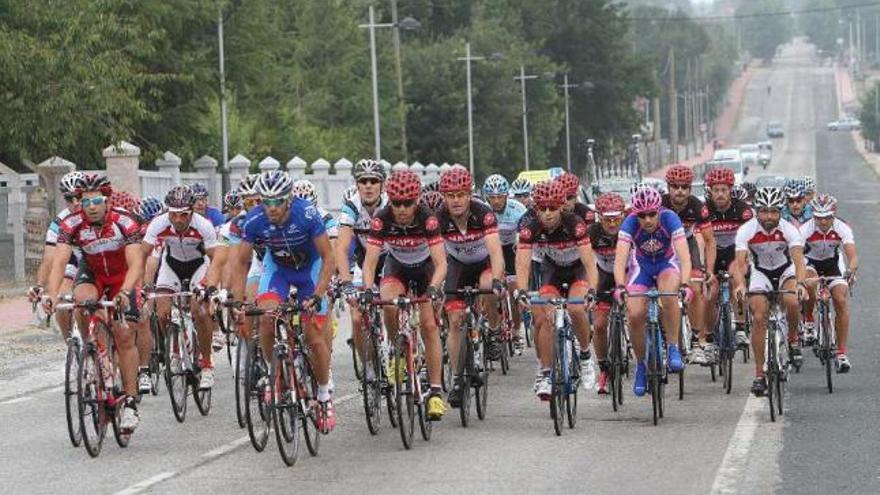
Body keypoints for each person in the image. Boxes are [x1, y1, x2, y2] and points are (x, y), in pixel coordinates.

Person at [229, 170, 337, 430]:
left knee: (313, 336)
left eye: (277, 201)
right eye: (266, 201)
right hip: (278, 270)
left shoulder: (307, 214)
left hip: (309, 271)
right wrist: (237, 301)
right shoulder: (254, 220)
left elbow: (329, 257)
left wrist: (318, 294)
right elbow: (241, 261)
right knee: (267, 318)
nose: (271, 208)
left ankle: (323, 394)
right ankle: (273, 372)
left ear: (289, 199)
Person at [43, 173, 144, 431]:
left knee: (123, 333)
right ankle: (95, 353)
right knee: (82, 301)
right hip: (94, 273)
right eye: (85, 202)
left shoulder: (125, 221)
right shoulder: (72, 224)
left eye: (96, 201)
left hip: (123, 277)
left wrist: (124, 292)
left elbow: (136, 263)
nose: (91, 207)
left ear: (107, 200)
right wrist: (52, 295)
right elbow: (59, 262)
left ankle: (131, 401)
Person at [360, 171, 448, 420]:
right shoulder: (382, 218)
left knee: (429, 325)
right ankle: (397, 347)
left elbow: (441, 263)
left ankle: (435, 391)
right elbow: (369, 264)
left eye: (407, 203)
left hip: (425, 270)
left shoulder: (427, 219)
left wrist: (433, 288)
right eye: (396, 202)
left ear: (416, 200)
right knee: (388, 302)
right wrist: (368, 289)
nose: (401, 209)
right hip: (397, 266)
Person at [514, 180, 598, 399]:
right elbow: (522, 264)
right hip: (552, 271)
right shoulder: (530, 227)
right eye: (542, 208)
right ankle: (547, 373)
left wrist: (593, 290)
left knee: (576, 308)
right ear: (536, 209)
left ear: (561, 206)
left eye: (553, 208)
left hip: (578, 271)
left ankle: (586, 355)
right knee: (544, 316)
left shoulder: (575, 224)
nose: (548, 213)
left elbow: (590, 263)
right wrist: (521, 290)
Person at [436, 167, 505, 408]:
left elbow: (496, 252)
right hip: (457, 267)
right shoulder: (439, 218)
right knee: (455, 320)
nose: (455, 200)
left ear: (469, 195)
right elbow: (434, 255)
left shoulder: (483, 213)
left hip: (484, 264)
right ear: (444, 197)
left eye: (461, 195)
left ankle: (494, 330)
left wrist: (497, 280)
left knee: (488, 287)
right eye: (450, 195)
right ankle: (457, 377)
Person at [613, 187, 693, 397]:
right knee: (635, 313)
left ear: (659, 210)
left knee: (668, 295)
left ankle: (673, 346)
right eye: (642, 215)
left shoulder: (670, 218)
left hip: (667, 264)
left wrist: (685, 284)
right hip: (642, 267)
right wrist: (620, 286)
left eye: (651, 214)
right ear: (635, 215)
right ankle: (640, 365)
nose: (647, 220)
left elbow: (684, 257)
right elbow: (620, 259)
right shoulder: (629, 223)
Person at [142, 185, 222, 390]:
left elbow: (216, 260)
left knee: (200, 311)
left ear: (192, 211)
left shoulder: (203, 225)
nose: (178, 220)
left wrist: (209, 286)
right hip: (172, 266)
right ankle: (174, 348)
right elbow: (148, 258)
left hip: (199, 266)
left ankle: (206, 364)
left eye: (184, 215)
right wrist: (146, 286)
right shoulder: (158, 224)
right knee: (162, 312)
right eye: (174, 215)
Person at [733, 187, 808, 396]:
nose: (769, 216)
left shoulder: (789, 230)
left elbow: (799, 261)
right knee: (758, 316)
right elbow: (739, 265)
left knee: (792, 301)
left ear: (780, 211)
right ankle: (759, 374)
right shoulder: (746, 230)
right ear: (757, 211)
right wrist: (740, 284)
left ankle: (793, 339)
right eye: (764, 211)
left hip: (786, 271)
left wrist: (801, 283)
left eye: (774, 211)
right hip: (761, 273)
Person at [662, 165, 716, 366]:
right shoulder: (660, 204)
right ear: (668, 187)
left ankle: (696, 340)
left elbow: (710, 241)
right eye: (675, 186)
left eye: (684, 187)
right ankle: (663, 333)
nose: (679, 191)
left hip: (687, 244)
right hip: (664, 248)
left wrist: (708, 269)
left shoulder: (697, 206)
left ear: (690, 189)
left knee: (695, 288)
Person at [799, 194, 858, 372]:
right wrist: (799, 279)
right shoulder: (805, 228)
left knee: (840, 300)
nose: (823, 222)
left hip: (833, 264)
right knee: (809, 284)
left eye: (827, 218)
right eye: (819, 217)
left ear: (833, 214)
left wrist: (851, 270)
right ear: (813, 215)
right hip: (810, 263)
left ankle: (841, 353)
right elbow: (797, 255)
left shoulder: (842, 227)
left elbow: (852, 256)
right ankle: (809, 321)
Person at [30, 171, 85, 340]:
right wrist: (39, 285)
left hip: (100, 261)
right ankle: (73, 347)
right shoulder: (59, 223)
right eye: (70, 199)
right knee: (62, 302)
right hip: (75, 262)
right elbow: (49, 259)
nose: (75, 203)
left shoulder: (97, 213)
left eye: (79, 197)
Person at [704, 167, 754, 348]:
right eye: (715, 190)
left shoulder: (743, 210)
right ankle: (709, 336)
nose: (719, 194)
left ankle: (740, 328)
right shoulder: (705, 210)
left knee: (737, 279)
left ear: (730, 190)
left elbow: (751, 238)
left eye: (723, 190)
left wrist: (748, 260)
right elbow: (700, 240)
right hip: (713, 255)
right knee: (711, 293)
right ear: (710, 191)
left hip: (735, 254)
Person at [482, 174, 528, 354]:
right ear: (487, 198)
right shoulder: (483, 211)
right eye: (492, 197)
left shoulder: (518, 209)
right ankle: (490, 320)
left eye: (500, 196)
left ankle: (517, 331)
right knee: (486, 289)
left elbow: (524, 234)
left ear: (507, 195)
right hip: (491, 250)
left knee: (514, 292)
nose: (496, 201)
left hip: (511, 249)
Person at [588, 193, 626, 395]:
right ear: (598, 218)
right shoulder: (592, 233)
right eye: (607, 219)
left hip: (629, 272)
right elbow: (586, 263)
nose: (612, 224)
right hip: (603, 275)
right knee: (600, 325)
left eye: (616, 219)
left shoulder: (631, 228)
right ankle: (603, 369)